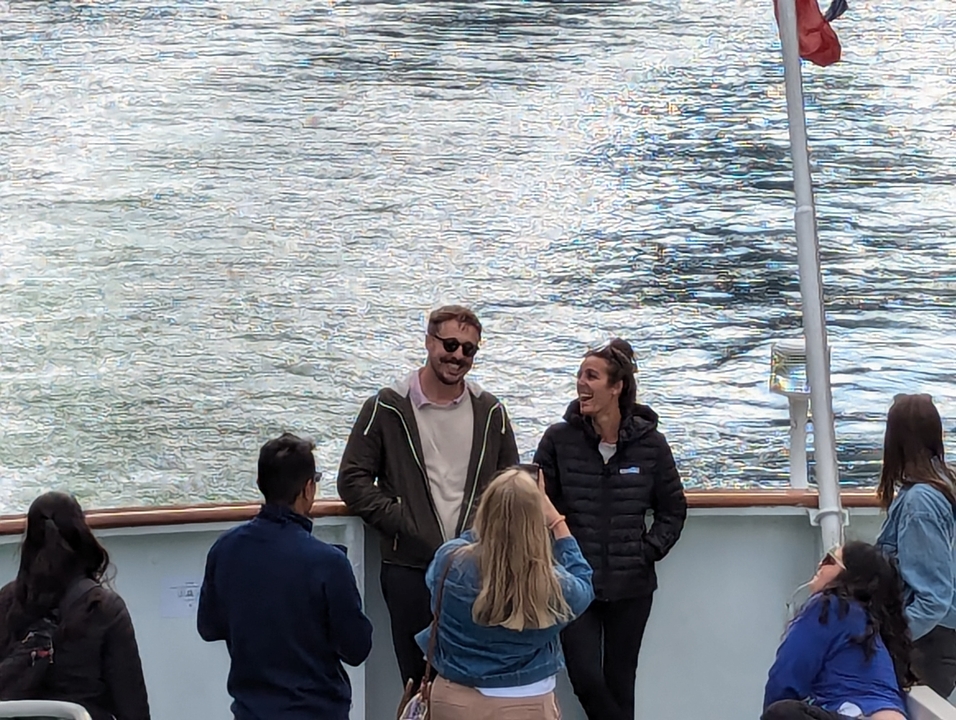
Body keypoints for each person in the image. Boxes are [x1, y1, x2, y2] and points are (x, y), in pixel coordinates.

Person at [338, 305, 519, 689]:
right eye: (450, 344)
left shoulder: (491, 412)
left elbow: (510, 485)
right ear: (428, 342)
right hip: (410, 568)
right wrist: (403, 522)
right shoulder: (387, 406)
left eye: (468, 350)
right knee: (418, 680)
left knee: (473, 681)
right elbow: (352, 479)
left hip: (476, 568)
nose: (457, 356)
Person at [534, 338, 687, 720]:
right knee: (585, 677)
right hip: (573, 584)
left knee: (621, 682)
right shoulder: (558, 440)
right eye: (580, 375)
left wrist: (645, 552)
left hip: (630, 588)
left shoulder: (650, 445)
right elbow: (536, 501)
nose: (581, 384)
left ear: (616, 386)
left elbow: (673, 509)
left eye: (592, 376)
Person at [198, 433, 372, 720]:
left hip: (251, 711)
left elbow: (209, 627)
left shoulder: (224, 550)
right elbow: (357, 648)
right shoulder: (329, 563)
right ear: (307, 489)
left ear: (260, 485)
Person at [416, 466, 594, 720]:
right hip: (527, 701)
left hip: (455, 698)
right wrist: (556, 521)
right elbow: (584, 585)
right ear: (535, 522)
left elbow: (439, 580)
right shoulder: (554, 585)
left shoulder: (450, 561)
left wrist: (498, 515)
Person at [0, 491, 150, 720]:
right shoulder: (104, 609)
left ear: (29, 541)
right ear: (81, 535)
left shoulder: (6, 601)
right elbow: (133, 710)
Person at [762, 541, 914, 720]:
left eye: (829, 560)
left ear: (850, 575)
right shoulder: (867, 623)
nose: (820, 564)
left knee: (782, 712)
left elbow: (786, 676)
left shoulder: (831, 607)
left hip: (856, 714)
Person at [875, 393, 956, 698]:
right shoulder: (945, 484)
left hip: (926, 646)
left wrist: (883, 639)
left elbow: (934, 599)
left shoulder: (920, 502)